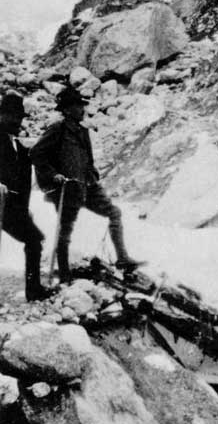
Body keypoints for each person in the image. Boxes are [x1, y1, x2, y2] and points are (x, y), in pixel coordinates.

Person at [30, 87, 144, 283]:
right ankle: (65, 275)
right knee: (65, 231)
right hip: (67, 189)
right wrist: (54, 175)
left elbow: (89, 159)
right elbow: (36, 154)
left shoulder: (83, 131)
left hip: (88, 186)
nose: (82, 109)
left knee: (114, 213)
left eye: (82, 105)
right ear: (66, 110)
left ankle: (123, 258)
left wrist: (92, 174)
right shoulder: (57, 130)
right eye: (77, 106)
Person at [0, 92, 52, 301]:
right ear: (1, 115)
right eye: (12, 116)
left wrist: (23, 209)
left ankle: (34, 290)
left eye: (19, 117)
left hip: (12, 208)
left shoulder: (19, 147)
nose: (17, 121)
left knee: (34, 240)